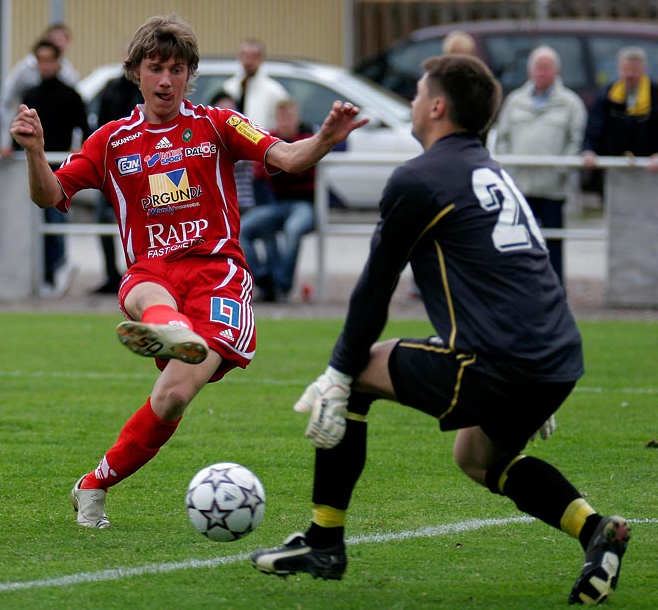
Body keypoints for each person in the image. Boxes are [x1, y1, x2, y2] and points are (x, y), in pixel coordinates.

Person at [250, 54, 630, 606]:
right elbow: (532, 266)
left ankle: (324, 542)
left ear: (436, 105)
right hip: (556, 357)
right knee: (476, 459)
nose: (410, 102)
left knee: (357, 375)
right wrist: (538, 368)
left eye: (417, 92)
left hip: (499, 360)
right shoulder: (493, 172)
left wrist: (336, 371)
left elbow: (374, 288)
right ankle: (596, 531)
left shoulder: (419, 177)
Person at [10, 15, 367, 530]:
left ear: (189, 74)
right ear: (136, 71)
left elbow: (287, 157)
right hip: (153, 274)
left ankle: (94, 482)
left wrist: (324, 140)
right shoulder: (110, 140)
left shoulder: (218, 124)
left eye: (177, 69)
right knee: (143, 286)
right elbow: (49, 194)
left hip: (217, 276)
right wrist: (36, 153)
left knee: (173, 396)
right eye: (156, 68)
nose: (165, 80)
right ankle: (169, 330)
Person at [493, 46, 587, 287]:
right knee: (518, 243)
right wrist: (508, 169)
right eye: (538, 67)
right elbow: (502, 138)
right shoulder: (515, 101)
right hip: (520, 188)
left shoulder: (570, 104)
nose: (542, 73)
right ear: (530, 70)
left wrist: (561, 170)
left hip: (552, 189)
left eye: (547, 68)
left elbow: (576, 140)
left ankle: (556, 291)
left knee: (553, 244)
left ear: (557, 71)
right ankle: (520, 290)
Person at [21, 38, 90, 295]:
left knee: (55, 218)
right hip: (34, 169)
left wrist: (78, 149)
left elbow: (85, 129)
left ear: (58, 63)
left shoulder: (70, 95)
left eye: (49, 60)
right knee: (34, 224)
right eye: (40, 60)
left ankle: (57, 269)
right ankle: (45, 275)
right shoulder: (30, 95)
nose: (45, 65)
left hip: (59, 170)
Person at [240, 98, 316, 302]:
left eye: (289, 117)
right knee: (240, 230)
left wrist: (281, 164)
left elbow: (301, 167)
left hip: (304, 204)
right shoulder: (271, 140)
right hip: (276, 204)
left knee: (293, 229)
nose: (285, 122)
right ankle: (264, 280)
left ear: (297, 119)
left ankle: (282, 284)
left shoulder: (308, 138)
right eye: (282, 118)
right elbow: (259, 171)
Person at [91, 73, 144, 294]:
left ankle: (140, 272)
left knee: (143, 220)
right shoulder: (111, 87)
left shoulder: (145, 88)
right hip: (111, 167)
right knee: (103, 221)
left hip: (141, 168)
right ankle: (112, 274)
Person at [0, 22, 79, 157]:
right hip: (28, 139)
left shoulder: (69, 74)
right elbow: (6, 103)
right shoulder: (24, 70)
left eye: (62, 40)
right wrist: (6, 142)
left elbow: (76, 115)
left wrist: (76, 145)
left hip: (58, 144)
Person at [582, 46, 658, 176]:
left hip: (651, 172)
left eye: (635, 70)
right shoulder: (607, 95)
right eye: (626, 70)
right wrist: (589, 150)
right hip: (613, 170)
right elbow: (595, 127)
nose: (630, 75)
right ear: (619, 69)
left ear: (644, 70)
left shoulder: (655, 95)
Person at [222, 38, 289, 130]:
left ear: (262, 58)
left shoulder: (275, 92)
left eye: (254, 56)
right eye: (245, 56)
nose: (249, 62)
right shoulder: (229, 88)